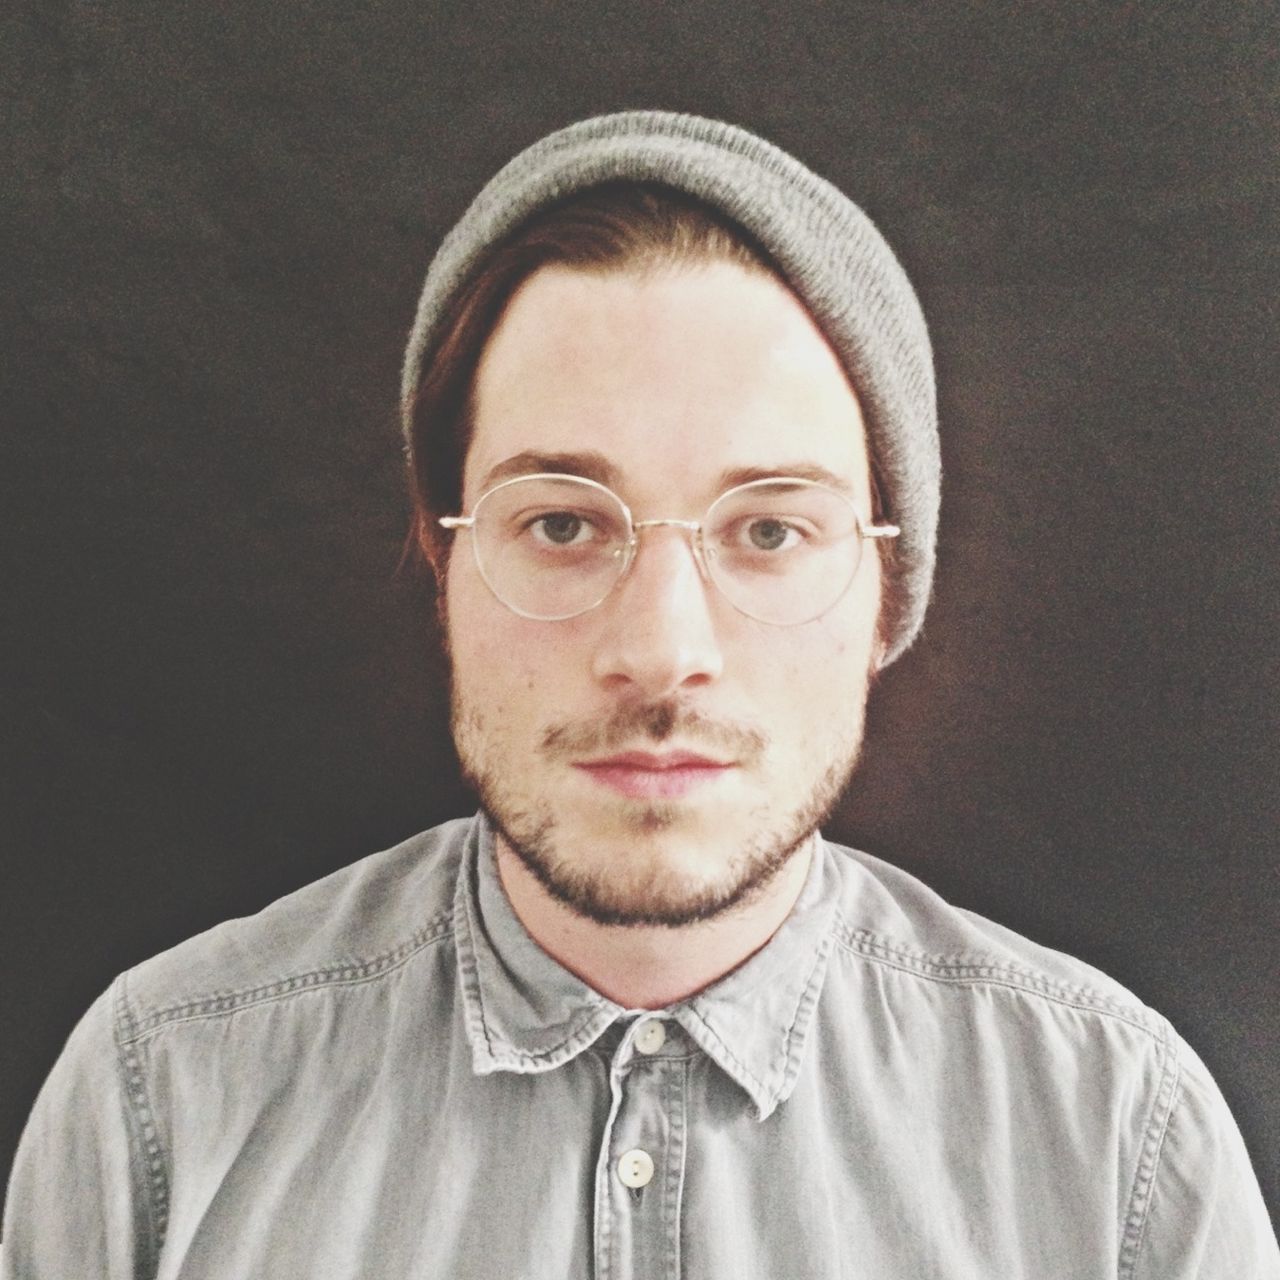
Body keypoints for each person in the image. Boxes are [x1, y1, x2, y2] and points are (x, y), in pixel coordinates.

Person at [3, 111, 1276, 1278]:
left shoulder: (1121, 1142)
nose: (662, 652)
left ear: (888, 592)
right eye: (562, 521)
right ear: (445, 565)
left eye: (768, 531)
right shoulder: (156, 1101)